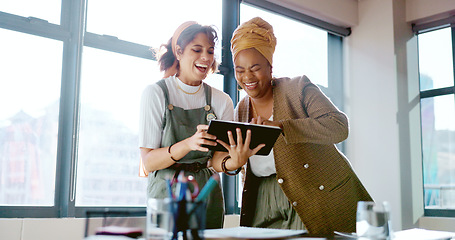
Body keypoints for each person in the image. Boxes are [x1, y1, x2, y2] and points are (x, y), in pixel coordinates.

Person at [212, 17, 373, 235]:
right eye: (240, 70)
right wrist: (234, 160)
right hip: (262, 199)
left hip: (312, 194)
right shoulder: (241, 109)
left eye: (255, 68)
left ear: (270, 66)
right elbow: (228, 159)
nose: (247, 77)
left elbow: (339, 126)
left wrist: (281, 126)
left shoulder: (298, 88)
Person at [138, 21, 234, 229]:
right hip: (166, 194)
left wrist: (236, 159)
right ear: (179, 52)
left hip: (207, 195)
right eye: (197, 50)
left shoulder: (222, 100)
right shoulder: (156, 94)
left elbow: (218, 161)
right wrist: (188, 144)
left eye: (210, 51)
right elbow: (148, 162)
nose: (206, 58)